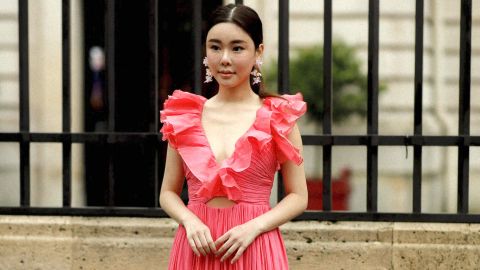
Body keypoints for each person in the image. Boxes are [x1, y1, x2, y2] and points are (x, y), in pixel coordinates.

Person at [159, 4, 307, 269]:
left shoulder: (277, 117)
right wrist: (189, 220)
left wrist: (254, 227)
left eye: (237, 48)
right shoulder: (185, 116)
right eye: (215, 47)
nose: (224, 58)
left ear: (258, 52)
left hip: (254, 247)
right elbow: (168, 192)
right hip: (196, 249)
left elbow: (299, 196)